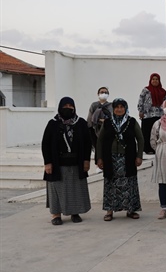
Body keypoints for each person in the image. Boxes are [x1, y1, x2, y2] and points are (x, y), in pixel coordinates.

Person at [42, 97, 92, 225]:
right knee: (56, 191)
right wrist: (47, 162)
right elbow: (45, 144)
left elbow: (88, 142)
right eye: (66, 105)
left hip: (76, 163)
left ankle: (75, 213)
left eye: (71, 106)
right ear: (60, 107)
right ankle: (56, 215)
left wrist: (86, 160)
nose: (68, 108)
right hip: (57, 164)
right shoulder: (53, 123)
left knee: (75, 190)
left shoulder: (80, 123)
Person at [97, 98, 144, 221]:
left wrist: (139, 156)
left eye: (121, 107)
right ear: (113, 109)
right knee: (110, 184)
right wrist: (99, 158)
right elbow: (100, 140)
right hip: (110, 158)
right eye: (116, 107)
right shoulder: (107, 122)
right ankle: (109, 211)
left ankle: (131, 210)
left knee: (129, 183)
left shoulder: (131, 122)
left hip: (128, 158)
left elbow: (140, 139)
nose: (119, 109)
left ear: (125, 108)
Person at [138, 73, 166, 154]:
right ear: (150, 80)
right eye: (153, 79)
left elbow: (165, 102)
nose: (155, 81)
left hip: (159, 115)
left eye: (156, 79)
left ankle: (157, 148)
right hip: (148, 115)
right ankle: (147, 148)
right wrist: (141, 111)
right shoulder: (146, 90)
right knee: (147, 132)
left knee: (158, 132)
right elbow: (141, 100)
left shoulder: (163, 91)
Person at [87, 86, 112, 153]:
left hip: (107, 131)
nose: (104, 94)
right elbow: (90, 118)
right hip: (95, 130)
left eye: (105, 92)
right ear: (98, 94)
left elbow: (112, 118)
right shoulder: (94, 105)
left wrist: (105, 121)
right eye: (102, 92)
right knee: (98, 151)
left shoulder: (111, 106)